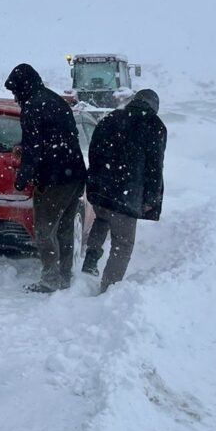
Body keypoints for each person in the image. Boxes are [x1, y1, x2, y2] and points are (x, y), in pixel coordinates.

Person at [4, 63, 87, 293]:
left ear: (23, 86)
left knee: (44, 230)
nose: (14, 97)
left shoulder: (33, 106)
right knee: (65, 228)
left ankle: (50, 280)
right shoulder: (56, 100)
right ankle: (64, 276)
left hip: (54, 179)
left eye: (14, 91)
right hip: (75, 173)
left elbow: (34, 148)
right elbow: (61, 136)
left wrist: (23, 178)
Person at [81, 88, 167, 293]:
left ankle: (90, 261)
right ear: (154, 106)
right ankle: (109, 289)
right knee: (123, 242)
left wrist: (95, 181)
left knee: (101, 220)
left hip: (102, 188)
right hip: (127, 194)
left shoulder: (110, 118)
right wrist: (151, 198)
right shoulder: (154, 125)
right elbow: (155, 167)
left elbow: (94, 151)